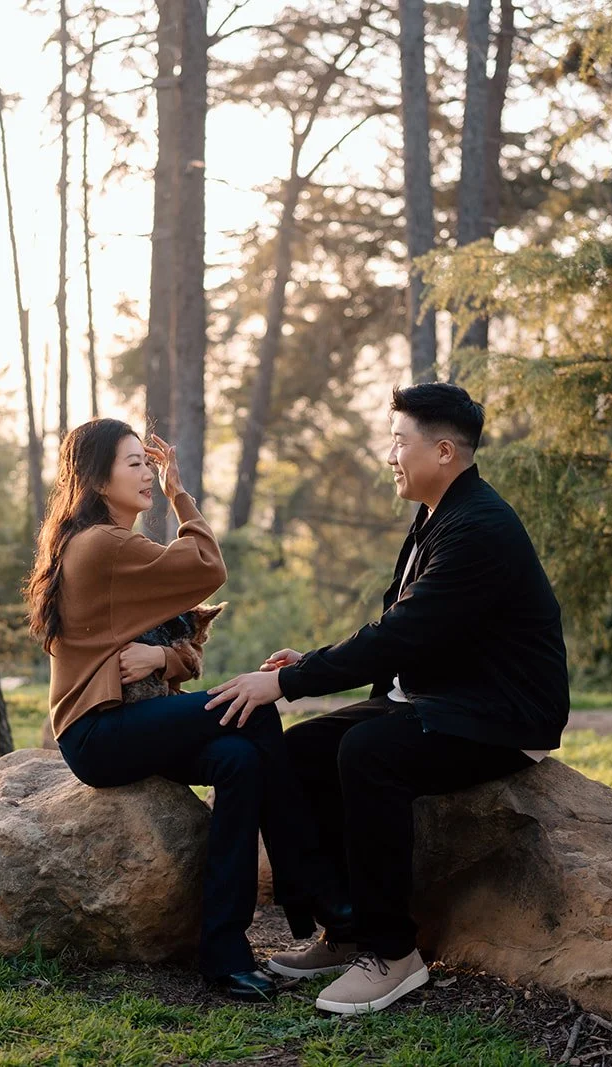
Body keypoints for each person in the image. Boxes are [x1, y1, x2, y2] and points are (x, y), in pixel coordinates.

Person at [208, 382, 570, 1015]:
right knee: (300, 752)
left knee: (369, 752)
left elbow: (401, 633)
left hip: (500, 714)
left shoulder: (480, 526)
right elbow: (403, 628)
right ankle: (344, 928)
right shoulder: (436, 512)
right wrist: (309, 663)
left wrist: (287, 683)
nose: (390, 455)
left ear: (446, 451)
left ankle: (393, 954)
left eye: (400, 441)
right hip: (438, 697)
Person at [26, 419, 347, 1002]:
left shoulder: (104, 544)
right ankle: (317, 892)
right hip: (101, 733)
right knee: (258, 709)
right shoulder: (105, 544)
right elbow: (206, 568)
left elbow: (175, 646)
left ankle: (224, 955)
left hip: (130, 725)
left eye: (149, 464)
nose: (147, 472)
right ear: (97, 480)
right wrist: (180, 493)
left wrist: (161, 659)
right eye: (133, 464)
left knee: (238, 762)